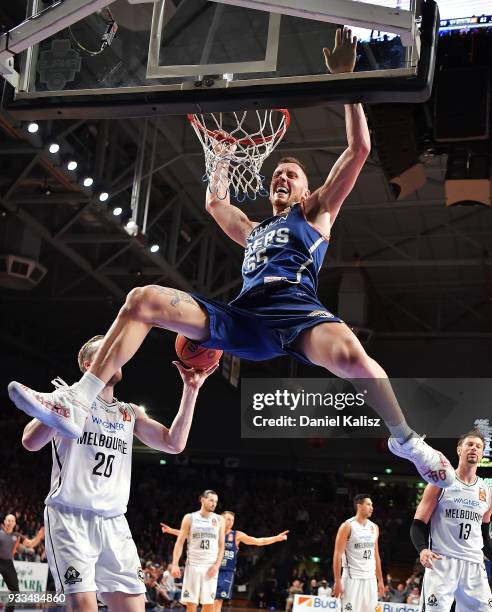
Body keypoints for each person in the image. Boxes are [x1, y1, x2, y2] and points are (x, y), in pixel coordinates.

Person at [7, 28, 453, 490]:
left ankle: (407, 441)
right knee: (143, 298)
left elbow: (359, 150)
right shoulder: (255, 231)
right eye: (278, 172)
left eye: (292, 173)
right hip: (244, 319)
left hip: (296, 313)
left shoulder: (316, 213)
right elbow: (216, 204)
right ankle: (79, 400)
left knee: (351, 356)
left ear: (304, 188)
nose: (282, 175)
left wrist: (348, 84)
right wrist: (219, 151)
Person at [19, 335, 217, 612]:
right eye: (107, 352)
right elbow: (30, 441)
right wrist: (60, 414)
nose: (117, 355)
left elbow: (174, 443)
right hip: (70, 518)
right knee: (83, 607)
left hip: (114, 522)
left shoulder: (129, 413)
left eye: (117, 351)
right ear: (90, 364)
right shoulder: (67, 398)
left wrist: (191, 389)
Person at [410, 428, 492, 611]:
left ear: (482, 453)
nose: (474, 449)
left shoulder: (487, 491)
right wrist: (422, 549)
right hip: (442, 561)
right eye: (469, 445)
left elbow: (485, 536)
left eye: (478, 446)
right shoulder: (439, 482)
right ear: (459, 450)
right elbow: (418, 524)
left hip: (474, 565)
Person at [162, 510, 288, 612]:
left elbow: (258, 541)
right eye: (228, 519)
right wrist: (171, 530)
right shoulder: (212, 531)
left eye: (232, 520)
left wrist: (276, 538)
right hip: (210, 569)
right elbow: (189, 534)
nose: (230, 522)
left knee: (217, 601)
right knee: (207, 601)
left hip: (226, 571)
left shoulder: (236, 535)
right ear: (221, 519)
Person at [170, 490, 225, 612]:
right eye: (211, 500)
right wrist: (175, 564)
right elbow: (179, 542)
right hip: (193, 565)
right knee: (191, 603)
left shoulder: (220, 520)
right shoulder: (190, 518)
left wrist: (217, 565)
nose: (214, 504)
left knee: (209, 604)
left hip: (211, 566)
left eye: (216, 501)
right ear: (202, 500)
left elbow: (222, 545)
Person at [332, 494, 384, 612]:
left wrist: (380, 581)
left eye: (372, 505)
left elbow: (376, 556)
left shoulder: (374, 527)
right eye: (368, 504)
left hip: (370, 579)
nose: (372, 507)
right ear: (359, 506)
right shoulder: (347, 526)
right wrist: (337, 580)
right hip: (351, 579)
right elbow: (337, 556)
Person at [0, 514, 44, 604]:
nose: (10, 522)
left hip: (8, 563)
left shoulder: (17, 536)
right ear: (4, 522)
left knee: (15, 592)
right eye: (8, 520)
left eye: (12, 521)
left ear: (15, 523)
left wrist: (39, 536)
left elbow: (30, 544)